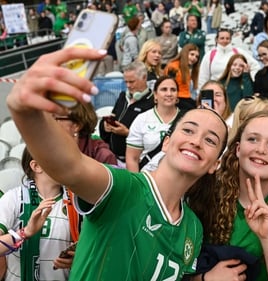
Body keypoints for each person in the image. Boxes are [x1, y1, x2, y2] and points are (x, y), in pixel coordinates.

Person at [6, 46, 229, 280]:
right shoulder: (122, 187)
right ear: (166, 142)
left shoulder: (193, 228)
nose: (196, 141)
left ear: (215, 164)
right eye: (188, 130)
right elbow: (70, 167)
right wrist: (26, 109)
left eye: (210, 140)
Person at [187, 111, 268, 281]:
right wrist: (203, 279)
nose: (260, 149)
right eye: (252, 139)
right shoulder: (206, 191)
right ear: (238, 149)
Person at [0, 148, 73, 280]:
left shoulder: (76, 204)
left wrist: (76, 259)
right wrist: (25, 233)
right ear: (36, 166)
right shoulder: (13, 198)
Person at [99, 61, 155, 165]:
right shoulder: (122, 96)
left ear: (144, 78)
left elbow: (152, 138)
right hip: (114, 158)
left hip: (136, 162)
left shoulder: (152, 102)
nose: (128, 85)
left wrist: (127, 133)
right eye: (126, 82)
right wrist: (105, 126)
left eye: (132, 82)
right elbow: (113, 115)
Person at [126, 76, 181, 172]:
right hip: (148, 177)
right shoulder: (142, 119)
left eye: (173, 90)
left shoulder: (186, 119)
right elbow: (132, 158)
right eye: (164, 89)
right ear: (155, 95)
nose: (169, 93)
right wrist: (136, 184)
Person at [165, 43, 200, 110]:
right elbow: (169, 86)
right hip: (177, 99)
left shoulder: (188, 69)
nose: (194, 58)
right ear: (185, 53)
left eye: (196, 57)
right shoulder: (173, 67)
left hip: (187, 98)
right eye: (192, 54)